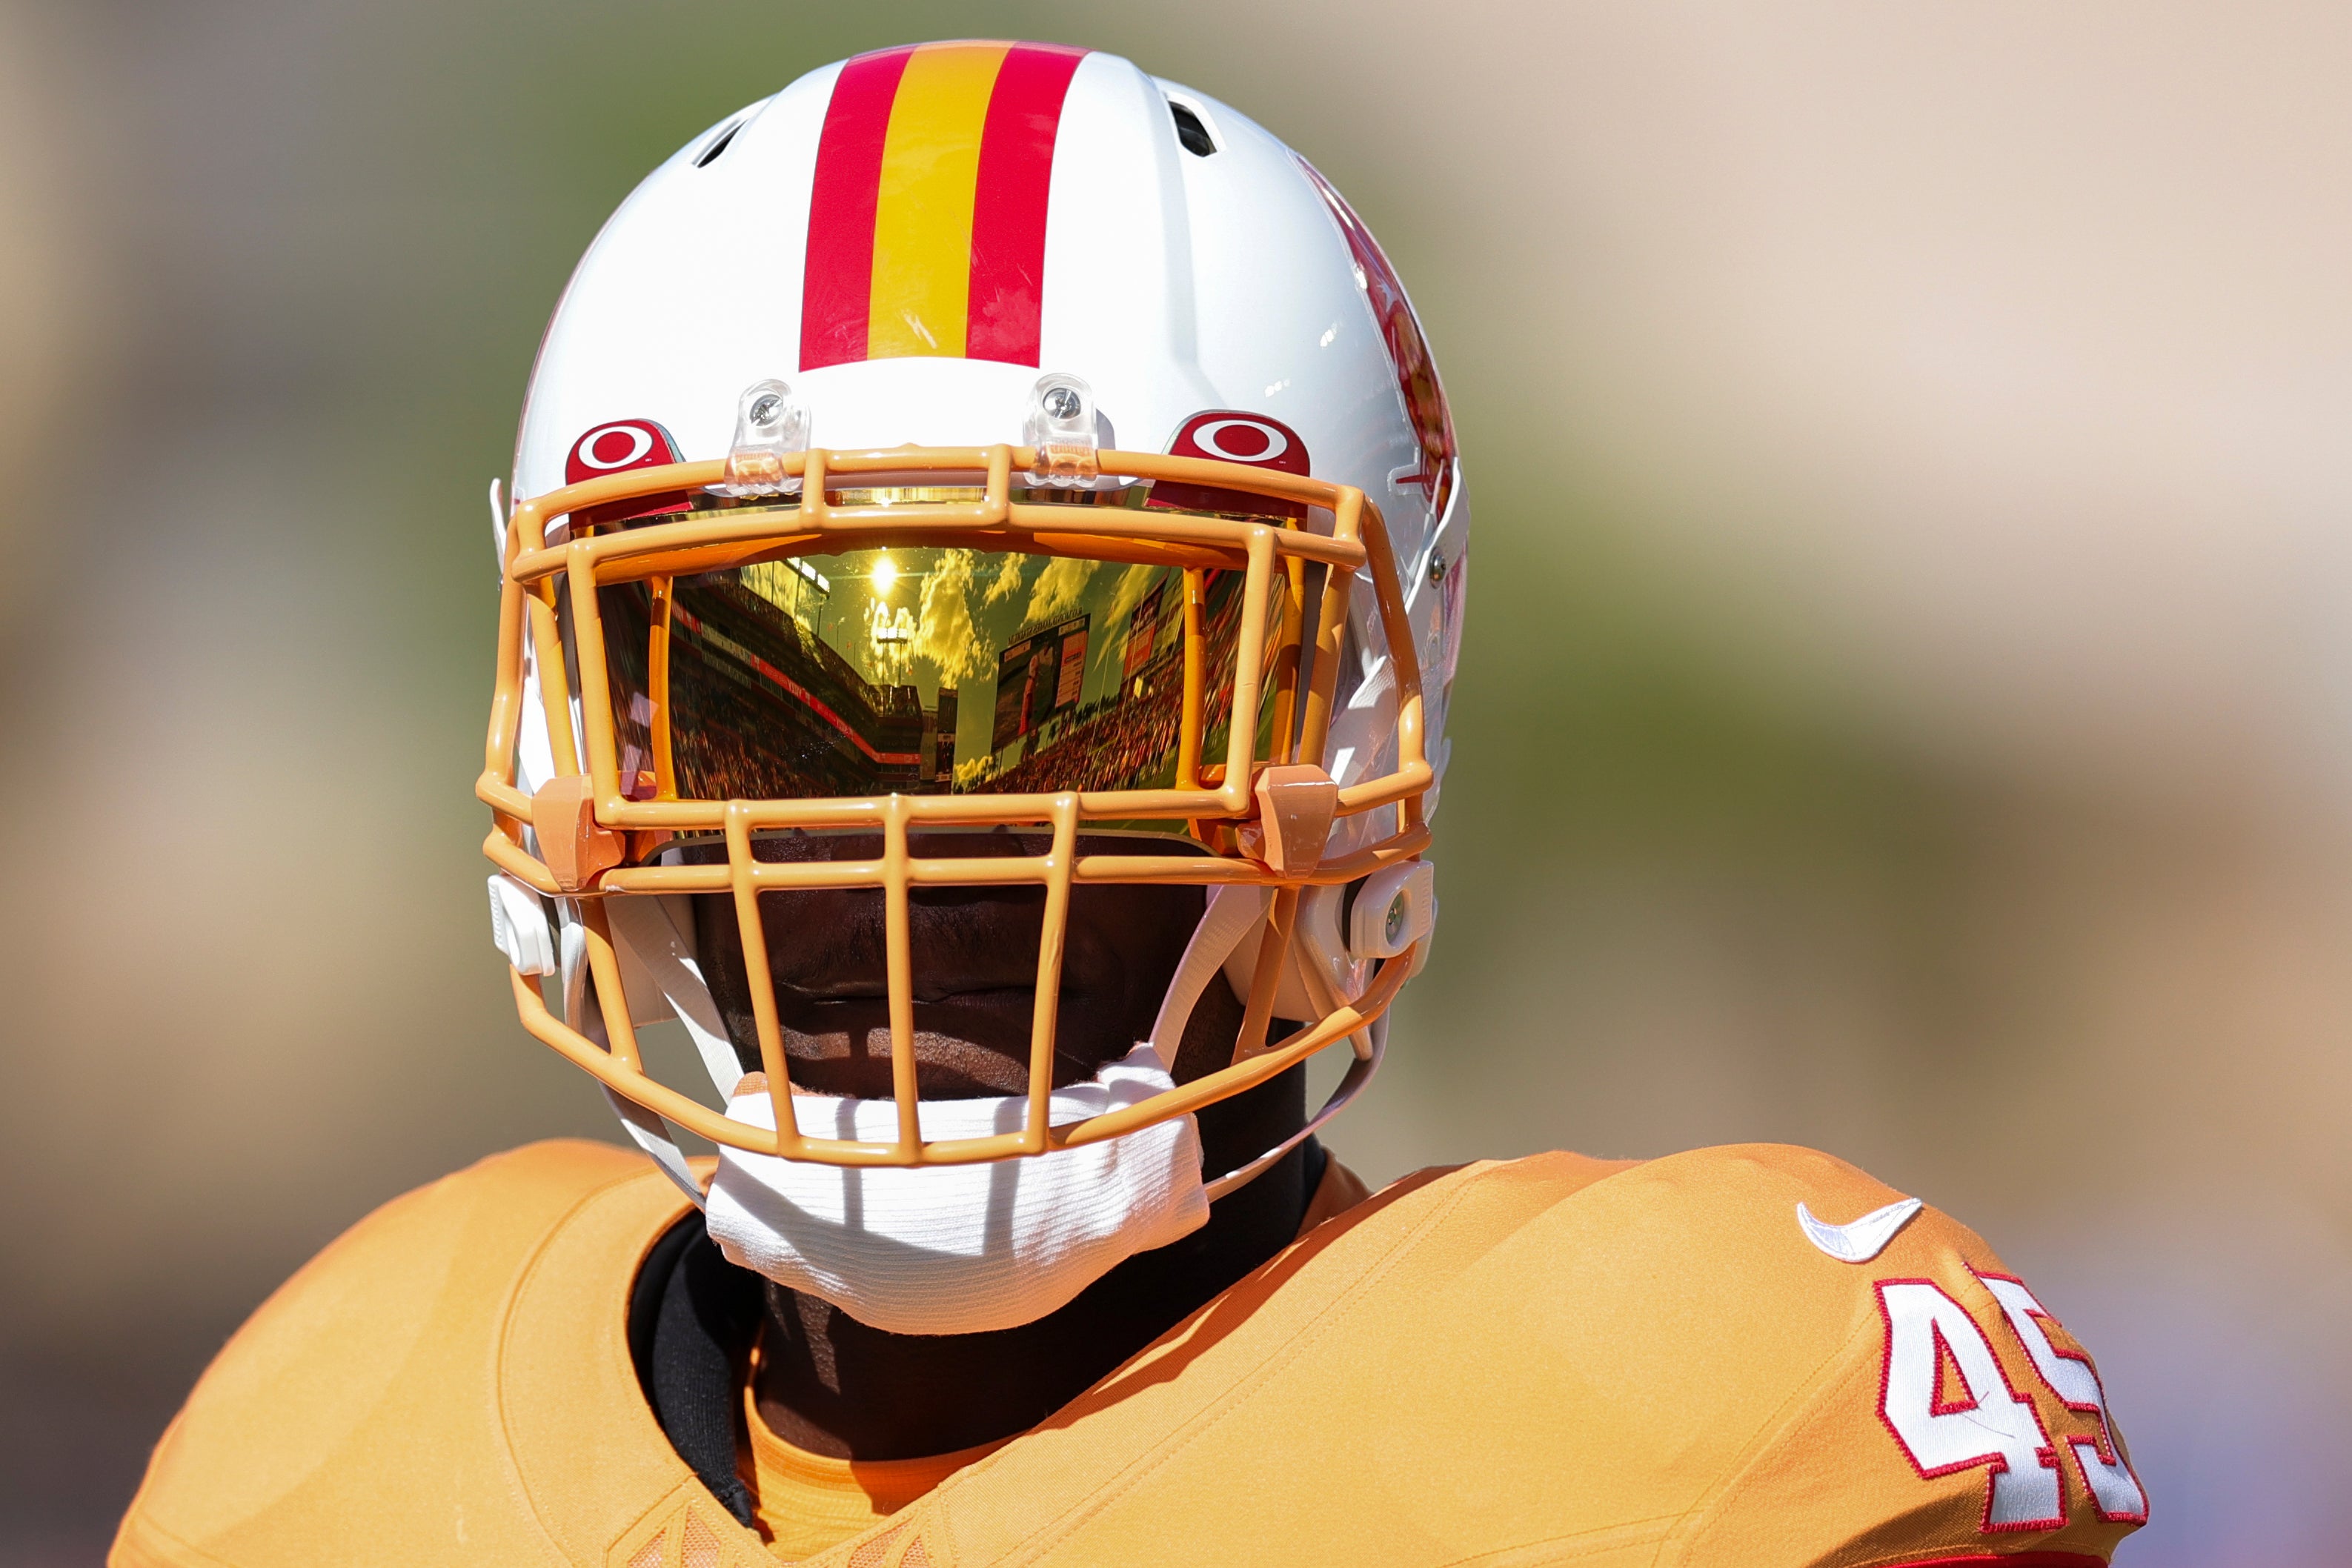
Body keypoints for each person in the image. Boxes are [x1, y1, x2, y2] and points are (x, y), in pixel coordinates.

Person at [111, 41, 2147, 1568]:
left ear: (1361, 720)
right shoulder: (339, 1430)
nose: (911, 848)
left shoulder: (1667, 1406)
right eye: (764, 705)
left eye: (1077, 702)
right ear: (585, 753)